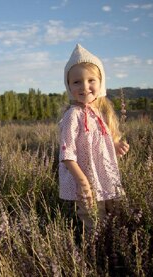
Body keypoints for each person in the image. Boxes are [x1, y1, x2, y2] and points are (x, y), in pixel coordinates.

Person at [59, 44, 130, 231]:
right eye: (76, 82)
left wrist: (114, 146)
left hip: (106, 177)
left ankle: (111, 250)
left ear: (101, 83)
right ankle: (94, 254)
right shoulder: (72, 115)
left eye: (91, 80)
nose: (84, 87)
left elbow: (98, 143)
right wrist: (83, 182)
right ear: (68, 86)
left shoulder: (99, 113)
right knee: (92, 220)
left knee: (113, 216)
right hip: (86, 180)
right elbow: (67, 154)